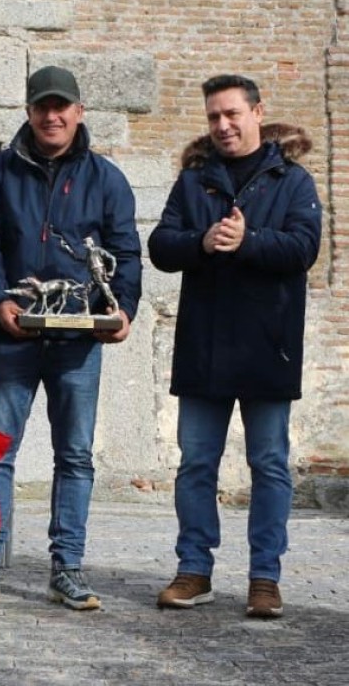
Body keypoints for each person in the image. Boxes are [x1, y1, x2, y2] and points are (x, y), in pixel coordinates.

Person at [0, 65, 142, 610]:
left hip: (78, 343)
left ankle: (67, 567)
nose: (51, 116)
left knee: (76, 456)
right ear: (29, 111)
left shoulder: (106, 178)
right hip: (14, 335)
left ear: (79, 112)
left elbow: (125, 252)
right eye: (42, 106)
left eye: (61, 107)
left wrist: (123, 308)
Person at [149, 75, 321, 619]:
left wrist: (249, 241)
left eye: (231, 114)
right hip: (204, 346)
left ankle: (265, 578)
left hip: (270, 346)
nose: (222, 125)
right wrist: (200, 242)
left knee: (269, 465)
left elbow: (304, 248)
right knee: (196, 464)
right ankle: (193, 570)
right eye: (213, 117)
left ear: (257, 113)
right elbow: (161, 246)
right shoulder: (194, 181)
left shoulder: (292, 180)